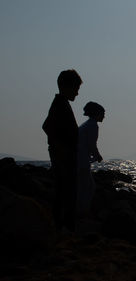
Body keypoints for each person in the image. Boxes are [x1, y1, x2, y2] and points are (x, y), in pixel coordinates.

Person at [42, 69, 82, 231]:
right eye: (76, 89)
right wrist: (60, 148)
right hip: (63, 157)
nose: (77, 93)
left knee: (64, 192)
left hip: (65, 156)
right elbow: (47, 127)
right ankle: (63, 227)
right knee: (65, 192)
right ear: (66, 87)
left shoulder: (61, 103)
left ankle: (63, 226)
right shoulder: (60, 104)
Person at [77, 102, 105, 218]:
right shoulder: (93, 125)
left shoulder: (86, 125)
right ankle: (83, 212)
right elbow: (92, 144)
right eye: (103, 113)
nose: (104, 116)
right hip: (81, 160)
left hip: (78, 159)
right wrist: (98, 156)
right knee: (89, 187)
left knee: (82, 186)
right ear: (97, 114)